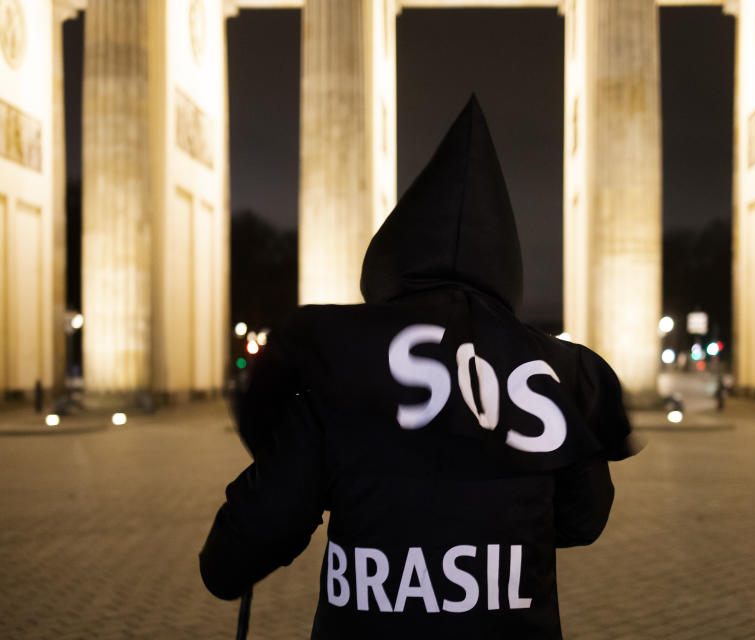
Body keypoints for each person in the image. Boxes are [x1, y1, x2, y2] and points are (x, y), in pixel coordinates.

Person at [200, 95, 637, 639]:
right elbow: (583, 519)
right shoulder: (556, 378)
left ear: (394, 254)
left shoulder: (339, 365)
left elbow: (230, 561)